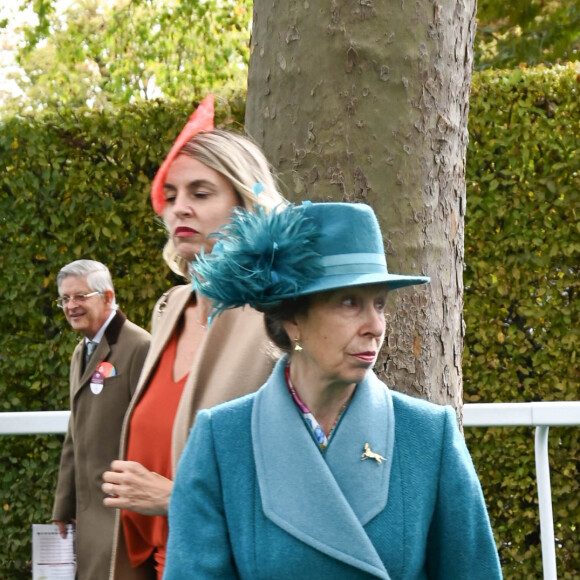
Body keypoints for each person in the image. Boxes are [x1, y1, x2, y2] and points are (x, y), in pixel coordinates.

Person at [164, 201, 503, 579]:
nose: (375, 324)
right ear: (293, 317)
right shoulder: (222, 441)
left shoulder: (428, 436)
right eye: (349, 303)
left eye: (379, 304)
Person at [101, 95, 286, 580]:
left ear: (247, 205)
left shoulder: (278, 320)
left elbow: (306, 477)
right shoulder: (169, 309)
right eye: (173, 193)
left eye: (202, 193)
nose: (180, 207)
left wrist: (172, 497)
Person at [52, 259, 151, 580]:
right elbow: (75, 431)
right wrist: (64, 505)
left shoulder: (140, 347)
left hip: (124, 514)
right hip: (87, 511)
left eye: (80, 296)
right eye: (65, 299)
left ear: (108, 297)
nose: (71, 306)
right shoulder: (80, 353)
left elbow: (152, 431)